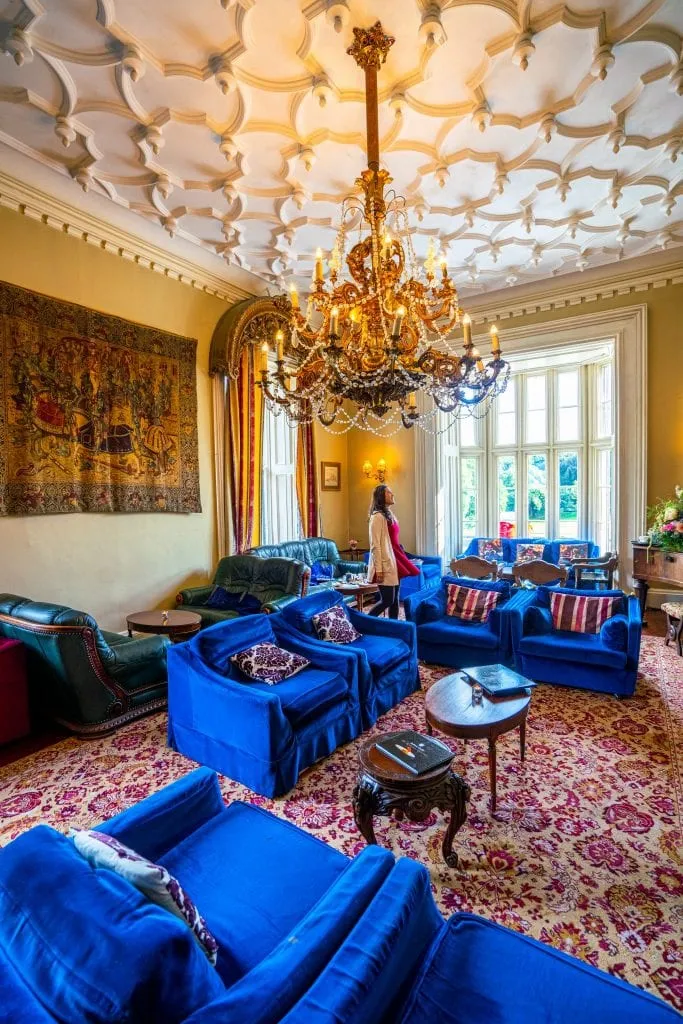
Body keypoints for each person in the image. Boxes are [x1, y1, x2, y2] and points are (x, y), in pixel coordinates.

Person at [367, 484, 419, 618]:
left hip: (395, 559)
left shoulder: (389, 515)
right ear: (381, 496)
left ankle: (394, 627)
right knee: (388, 600)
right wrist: (379, 569)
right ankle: (365, 621)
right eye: (389, 493)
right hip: (385, 562)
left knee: (395, 600)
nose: (392, 494)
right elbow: (375, 545)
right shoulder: (377, 517)